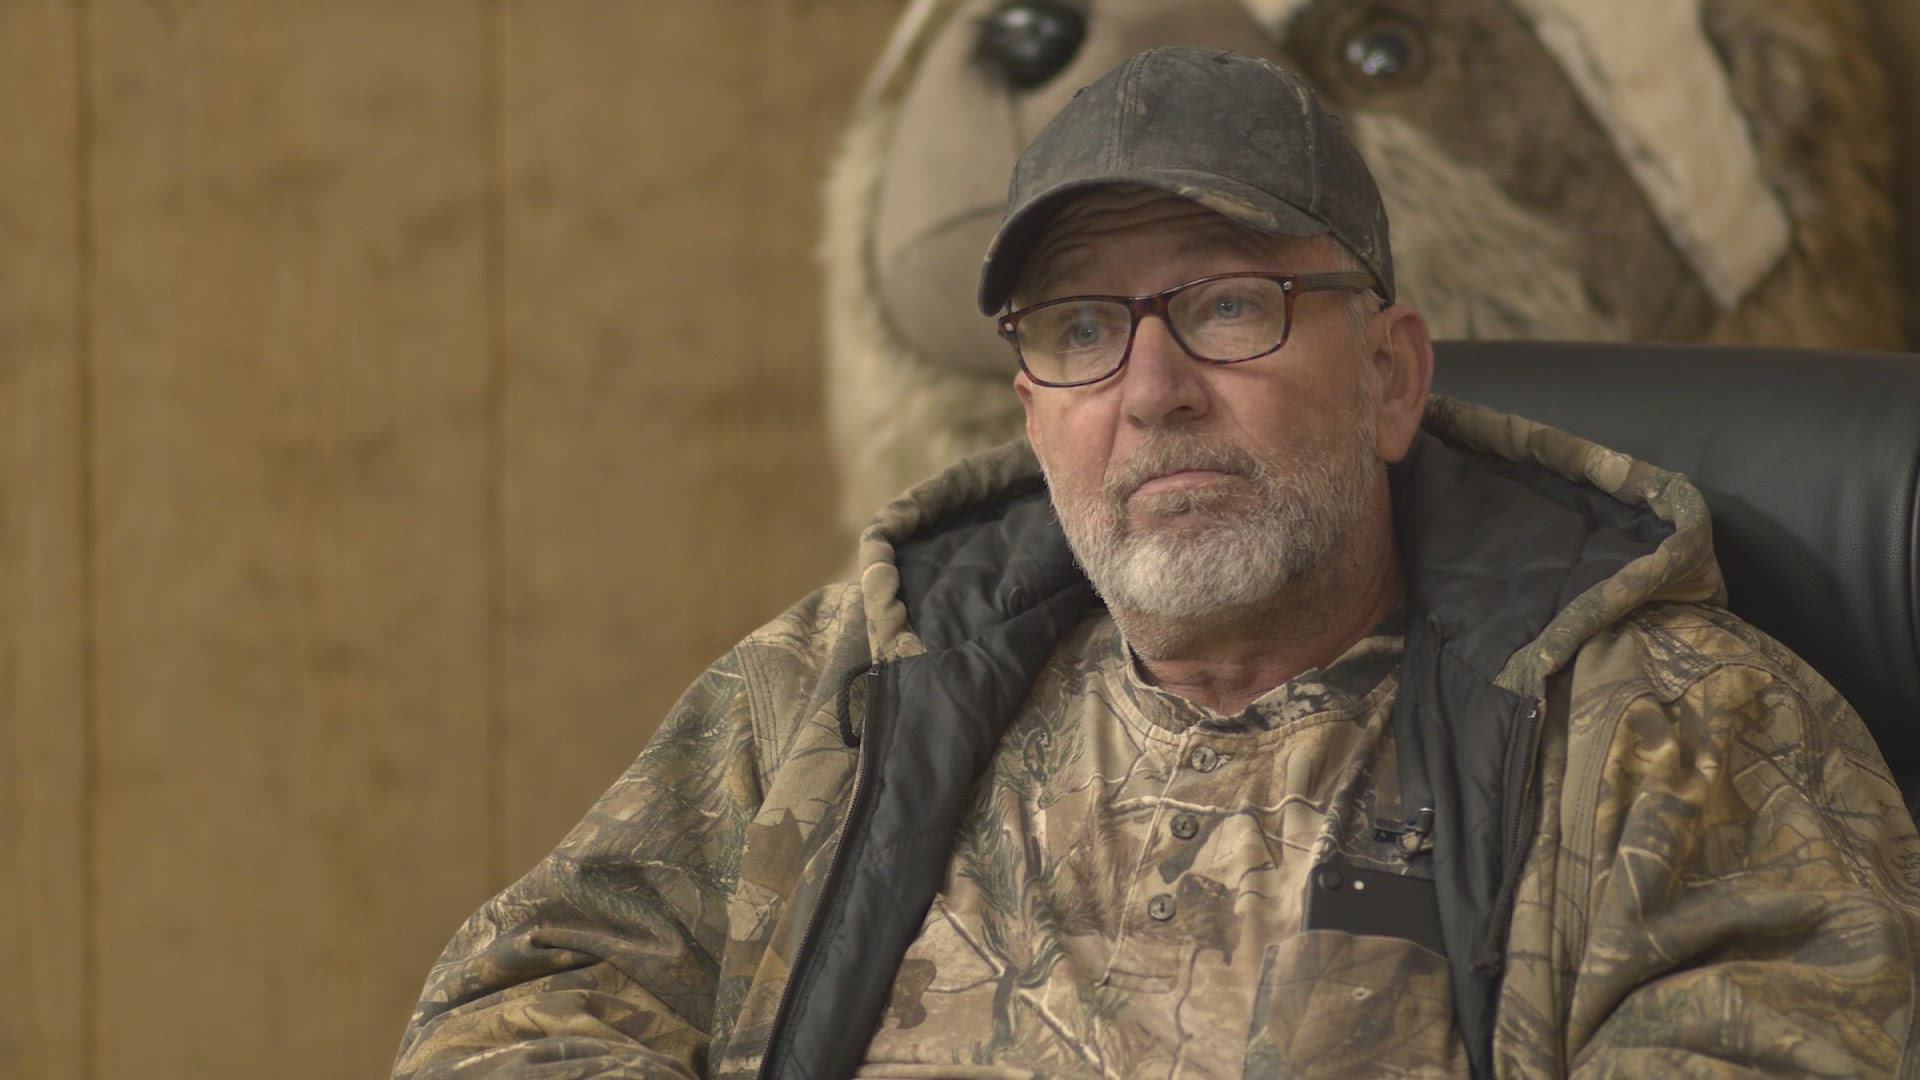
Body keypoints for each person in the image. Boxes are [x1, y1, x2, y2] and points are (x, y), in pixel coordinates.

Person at [395, 47, 1920, 1079]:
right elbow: (525, 999)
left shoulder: (1674, 729)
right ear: (1031, 413)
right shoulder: (855, 686)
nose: (1152, 389)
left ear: (1391, 375)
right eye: (1080, 329)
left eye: (1230, 305)